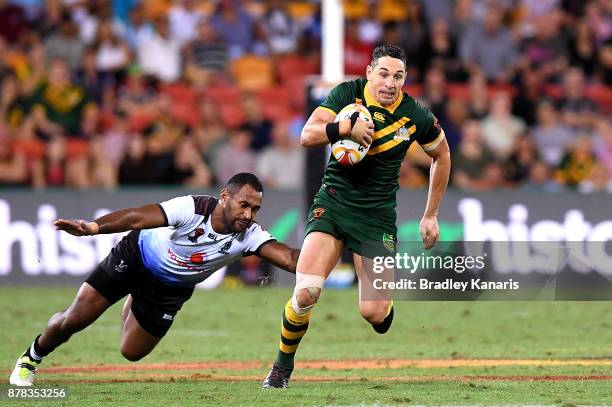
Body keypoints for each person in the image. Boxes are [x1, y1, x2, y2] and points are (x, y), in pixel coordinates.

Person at [262, 45, 451, 388]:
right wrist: (342, 128)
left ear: (405, 80)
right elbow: (307, 135)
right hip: (332, 205)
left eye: (398, 76)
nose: (390, 83)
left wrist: (431, 215)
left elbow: (442, 154)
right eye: (384, 74)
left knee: (373, 313)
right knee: (305, 292)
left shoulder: (415, 115)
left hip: (376, 218)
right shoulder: (346, 95)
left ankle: (384, 311)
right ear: (368, 73)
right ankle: (280, 369)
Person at [10, 173, 299, 386]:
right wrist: (94, 227)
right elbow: (137, 217)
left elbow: (288, 259)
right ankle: (31, 357)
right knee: (75, 318)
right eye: (243, 205)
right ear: (225, 197)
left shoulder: (250, 235)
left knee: (131, 352)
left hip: (170, 289)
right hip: (136, 257)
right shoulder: (193, 208)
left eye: (255, 209)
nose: (248, 215)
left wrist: (325, 251)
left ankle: (134, 298)